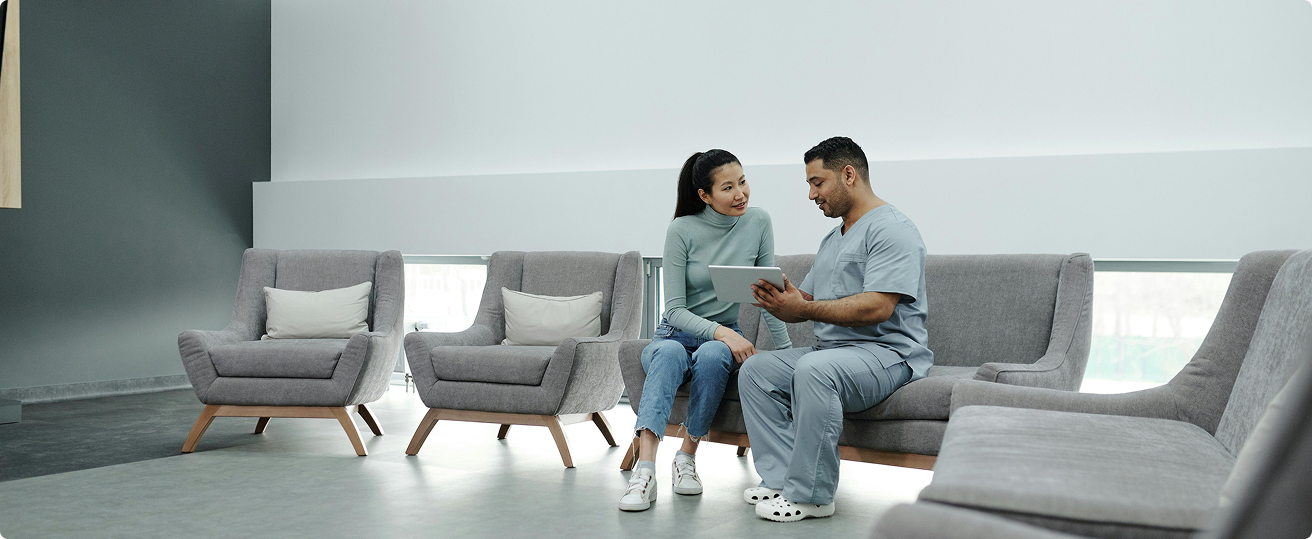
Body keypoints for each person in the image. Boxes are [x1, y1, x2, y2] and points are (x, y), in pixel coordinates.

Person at [739, 137, 933, 522]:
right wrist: (781, 301)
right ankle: (780, 479)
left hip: (888, 355)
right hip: (833, 353)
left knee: (816, 371)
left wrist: (804, 306)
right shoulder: (834, 237)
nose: (811, 194)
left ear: (848, 175)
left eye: (817, 182)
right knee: (757, 370)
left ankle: (812, 495)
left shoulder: (893, 230)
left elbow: (878, 306)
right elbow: (807, 303)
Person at [619, 149, 793, 512]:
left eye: (742, 182)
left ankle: (686, 458)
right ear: (704, 195)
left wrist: (788, 353)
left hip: (720, 337)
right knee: (668, 354)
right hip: (674, 334)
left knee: (715, 355)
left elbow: (769, 295)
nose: (741, 193)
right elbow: (675, 309)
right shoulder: (681, 230)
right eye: (728, 187)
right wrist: (724, 333)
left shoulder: (758, 222)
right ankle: (644, 469)